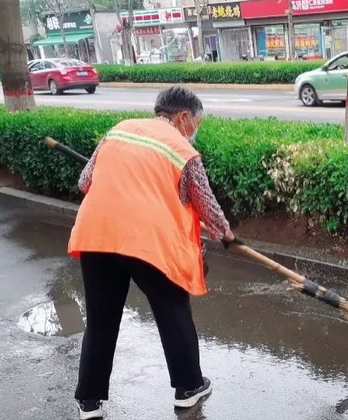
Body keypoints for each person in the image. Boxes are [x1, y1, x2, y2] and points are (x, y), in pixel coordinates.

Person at [67, 85, 238, 419]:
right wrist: (225, 232)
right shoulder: (181, 149)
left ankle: (88, 401)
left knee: (101, 319)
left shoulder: (120, 130)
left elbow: (85, 182)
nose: (195, 131)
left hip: (97, 234)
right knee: (172, 307)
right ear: (183, 117)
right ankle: (189, 387)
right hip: (145, 241)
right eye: (196, 123)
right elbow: (205, 202)